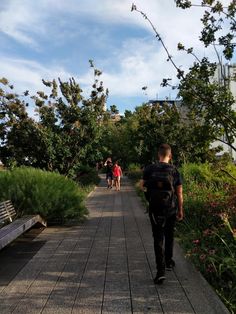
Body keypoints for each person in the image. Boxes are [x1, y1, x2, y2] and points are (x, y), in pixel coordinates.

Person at [141, 144, 184, 284]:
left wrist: (150, 197)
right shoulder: (174, 171)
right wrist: (180, 209)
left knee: (157, 238)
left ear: (158, 155)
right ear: (170, 156)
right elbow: (179, 193)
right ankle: (169, 261)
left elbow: (142, 186)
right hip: (170, 208)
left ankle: (160, 271)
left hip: (155, 209)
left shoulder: (149, 169)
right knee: (169, 234)